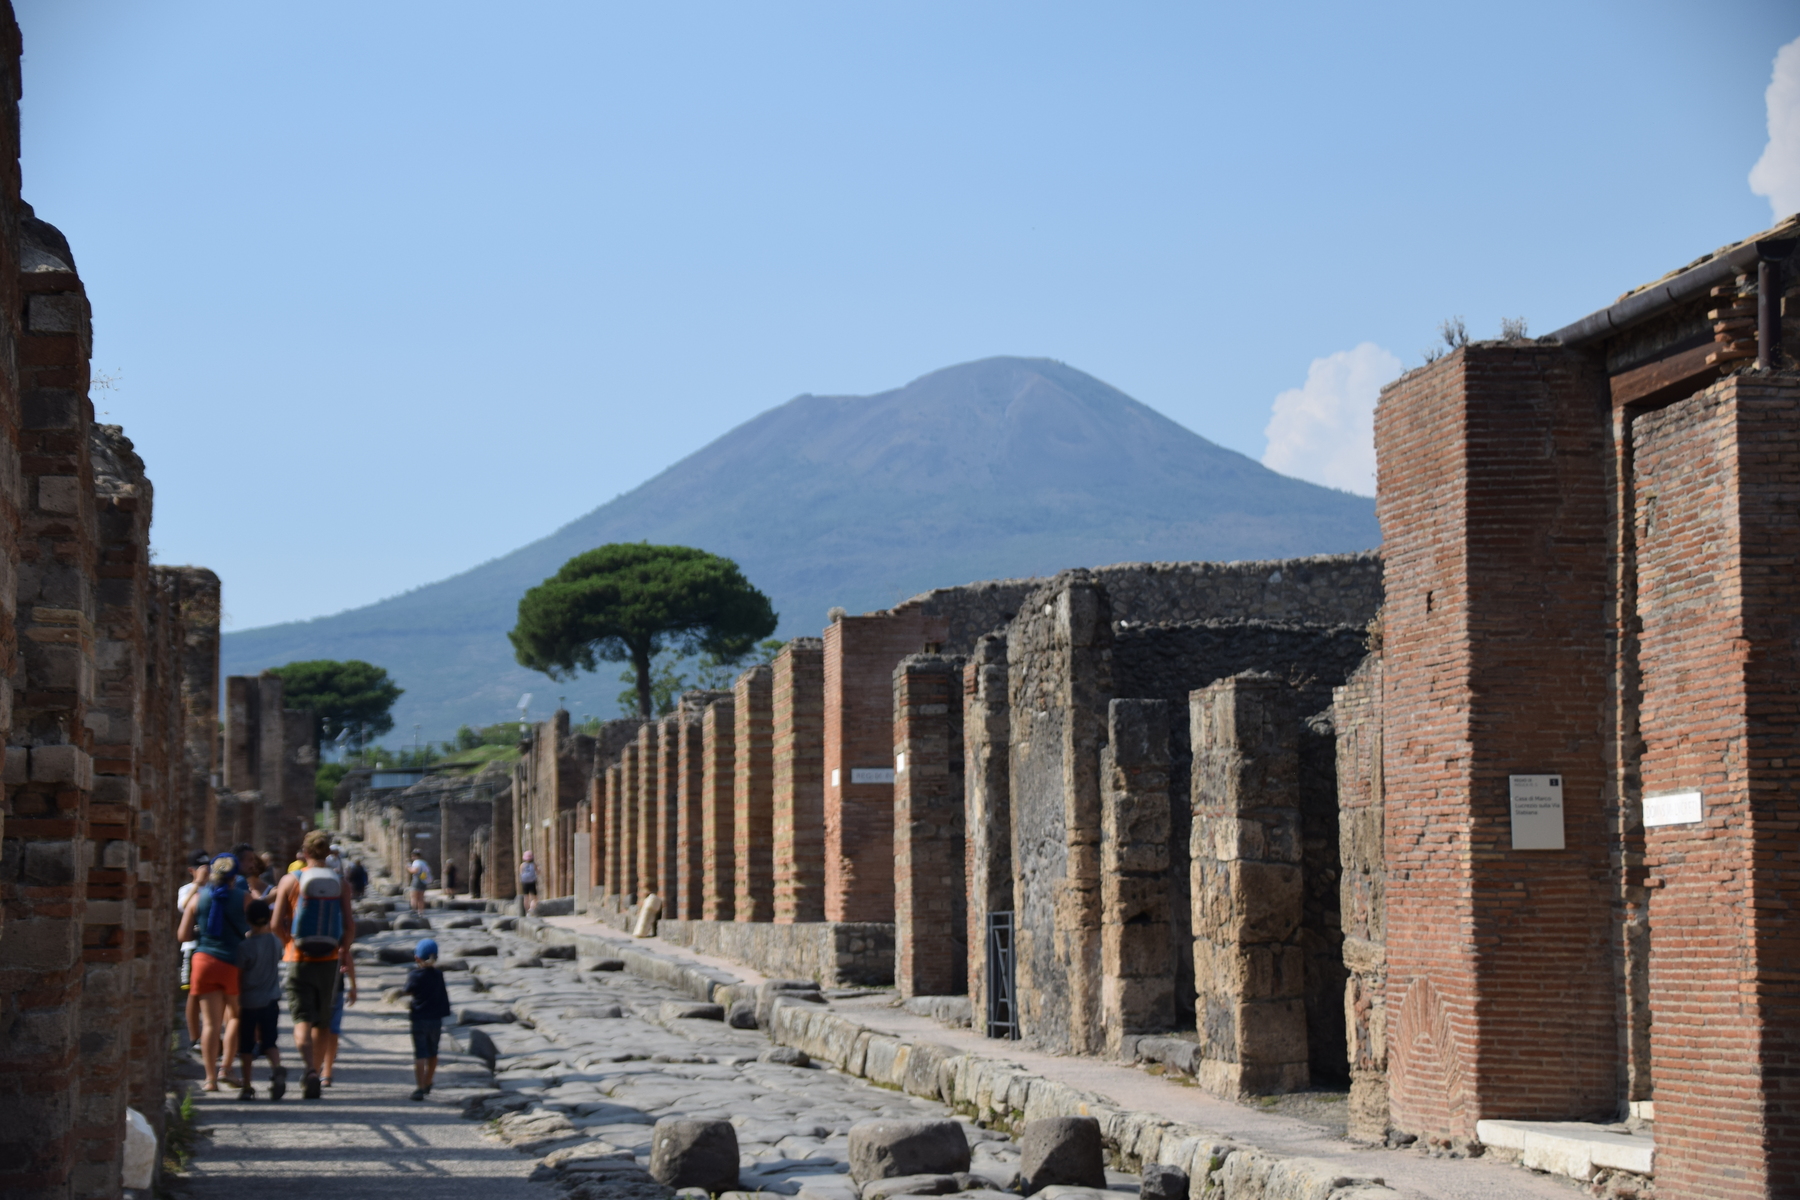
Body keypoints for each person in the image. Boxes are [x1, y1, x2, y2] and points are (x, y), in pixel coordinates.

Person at [271, 829, 355, 1100]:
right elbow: (350, 926)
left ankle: (308, 1068)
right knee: (322, 1021)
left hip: (299, 958)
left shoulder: (290, 880)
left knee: (301, 1019)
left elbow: (275, 924)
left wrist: (288, 943)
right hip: (329, 960)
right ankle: (316, 1073)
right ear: (328, 852)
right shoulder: (340, 883)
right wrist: (343, 950)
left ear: (304, 852)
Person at [177, 853, 249, 1091]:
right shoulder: (244, 898)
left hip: (203, 961)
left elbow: (183, 935)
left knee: (210, 1023)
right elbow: (259, 927)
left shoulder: (199, 898)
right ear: (234, 876)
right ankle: (226, 1067)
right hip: (232, 962)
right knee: (235, 1017)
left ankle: (210, 1079)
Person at [234, 898, 288, 1102]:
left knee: (246, 1046)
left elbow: (239, 974)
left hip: (249, 1002)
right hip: (271, 999)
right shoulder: (276, 942)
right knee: (270, 1041)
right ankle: (277, 1067)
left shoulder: (245, 946)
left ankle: (247, 1086)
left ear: (248, 920)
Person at [402, 938, 451, 1101]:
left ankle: (420, 1087)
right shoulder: (438, 975)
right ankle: (429, 1081)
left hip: (419, 1018)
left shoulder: (414, 975)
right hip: (435, 1019)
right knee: (433, 1052)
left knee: (420, 1053)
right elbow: (443, 995)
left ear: (417, 958)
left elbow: (408, 990)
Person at [177, 850, 212, 1051]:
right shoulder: (187, 889)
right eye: (201, 867)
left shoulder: (215, 888)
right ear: (192, 870)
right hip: (192, 949)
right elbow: (183, 907)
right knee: (193, 993)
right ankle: (194, 1037)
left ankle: (210, 1036)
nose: (206, 871)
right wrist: (198, 884)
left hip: (210, 947)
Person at [317, 955, 358, 1087]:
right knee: (331, 1028)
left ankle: (317, 1070)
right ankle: (326, 1071)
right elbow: (346, 954)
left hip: (308, 979)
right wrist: (353, 986)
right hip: (333, 979)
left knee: (315, 1025)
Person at [518, 849, 539, 915]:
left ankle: (526, 911)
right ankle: (531, 909)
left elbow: (521, 873)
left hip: (524, 882)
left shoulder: (522, 865)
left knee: (526, 897)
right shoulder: (534, 864)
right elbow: (538, 872)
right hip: (532, 882)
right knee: (535, 897)